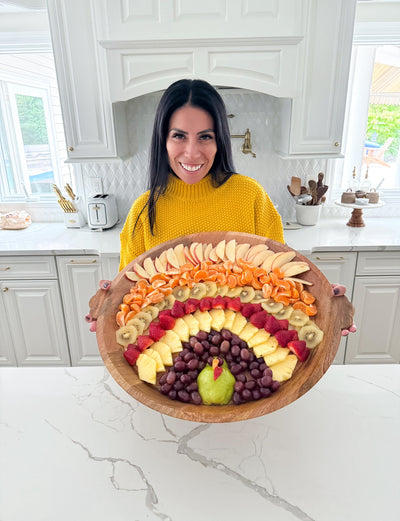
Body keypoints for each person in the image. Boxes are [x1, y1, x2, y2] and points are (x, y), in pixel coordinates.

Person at [119, 78, 284, 271]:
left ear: (219, 142)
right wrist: (110, 295)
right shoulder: (143, 212)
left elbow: (281, 276)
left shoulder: (251, 196)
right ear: (163, 140)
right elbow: (128, 293)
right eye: (179, 136)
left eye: (205, 137)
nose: (192, 153)